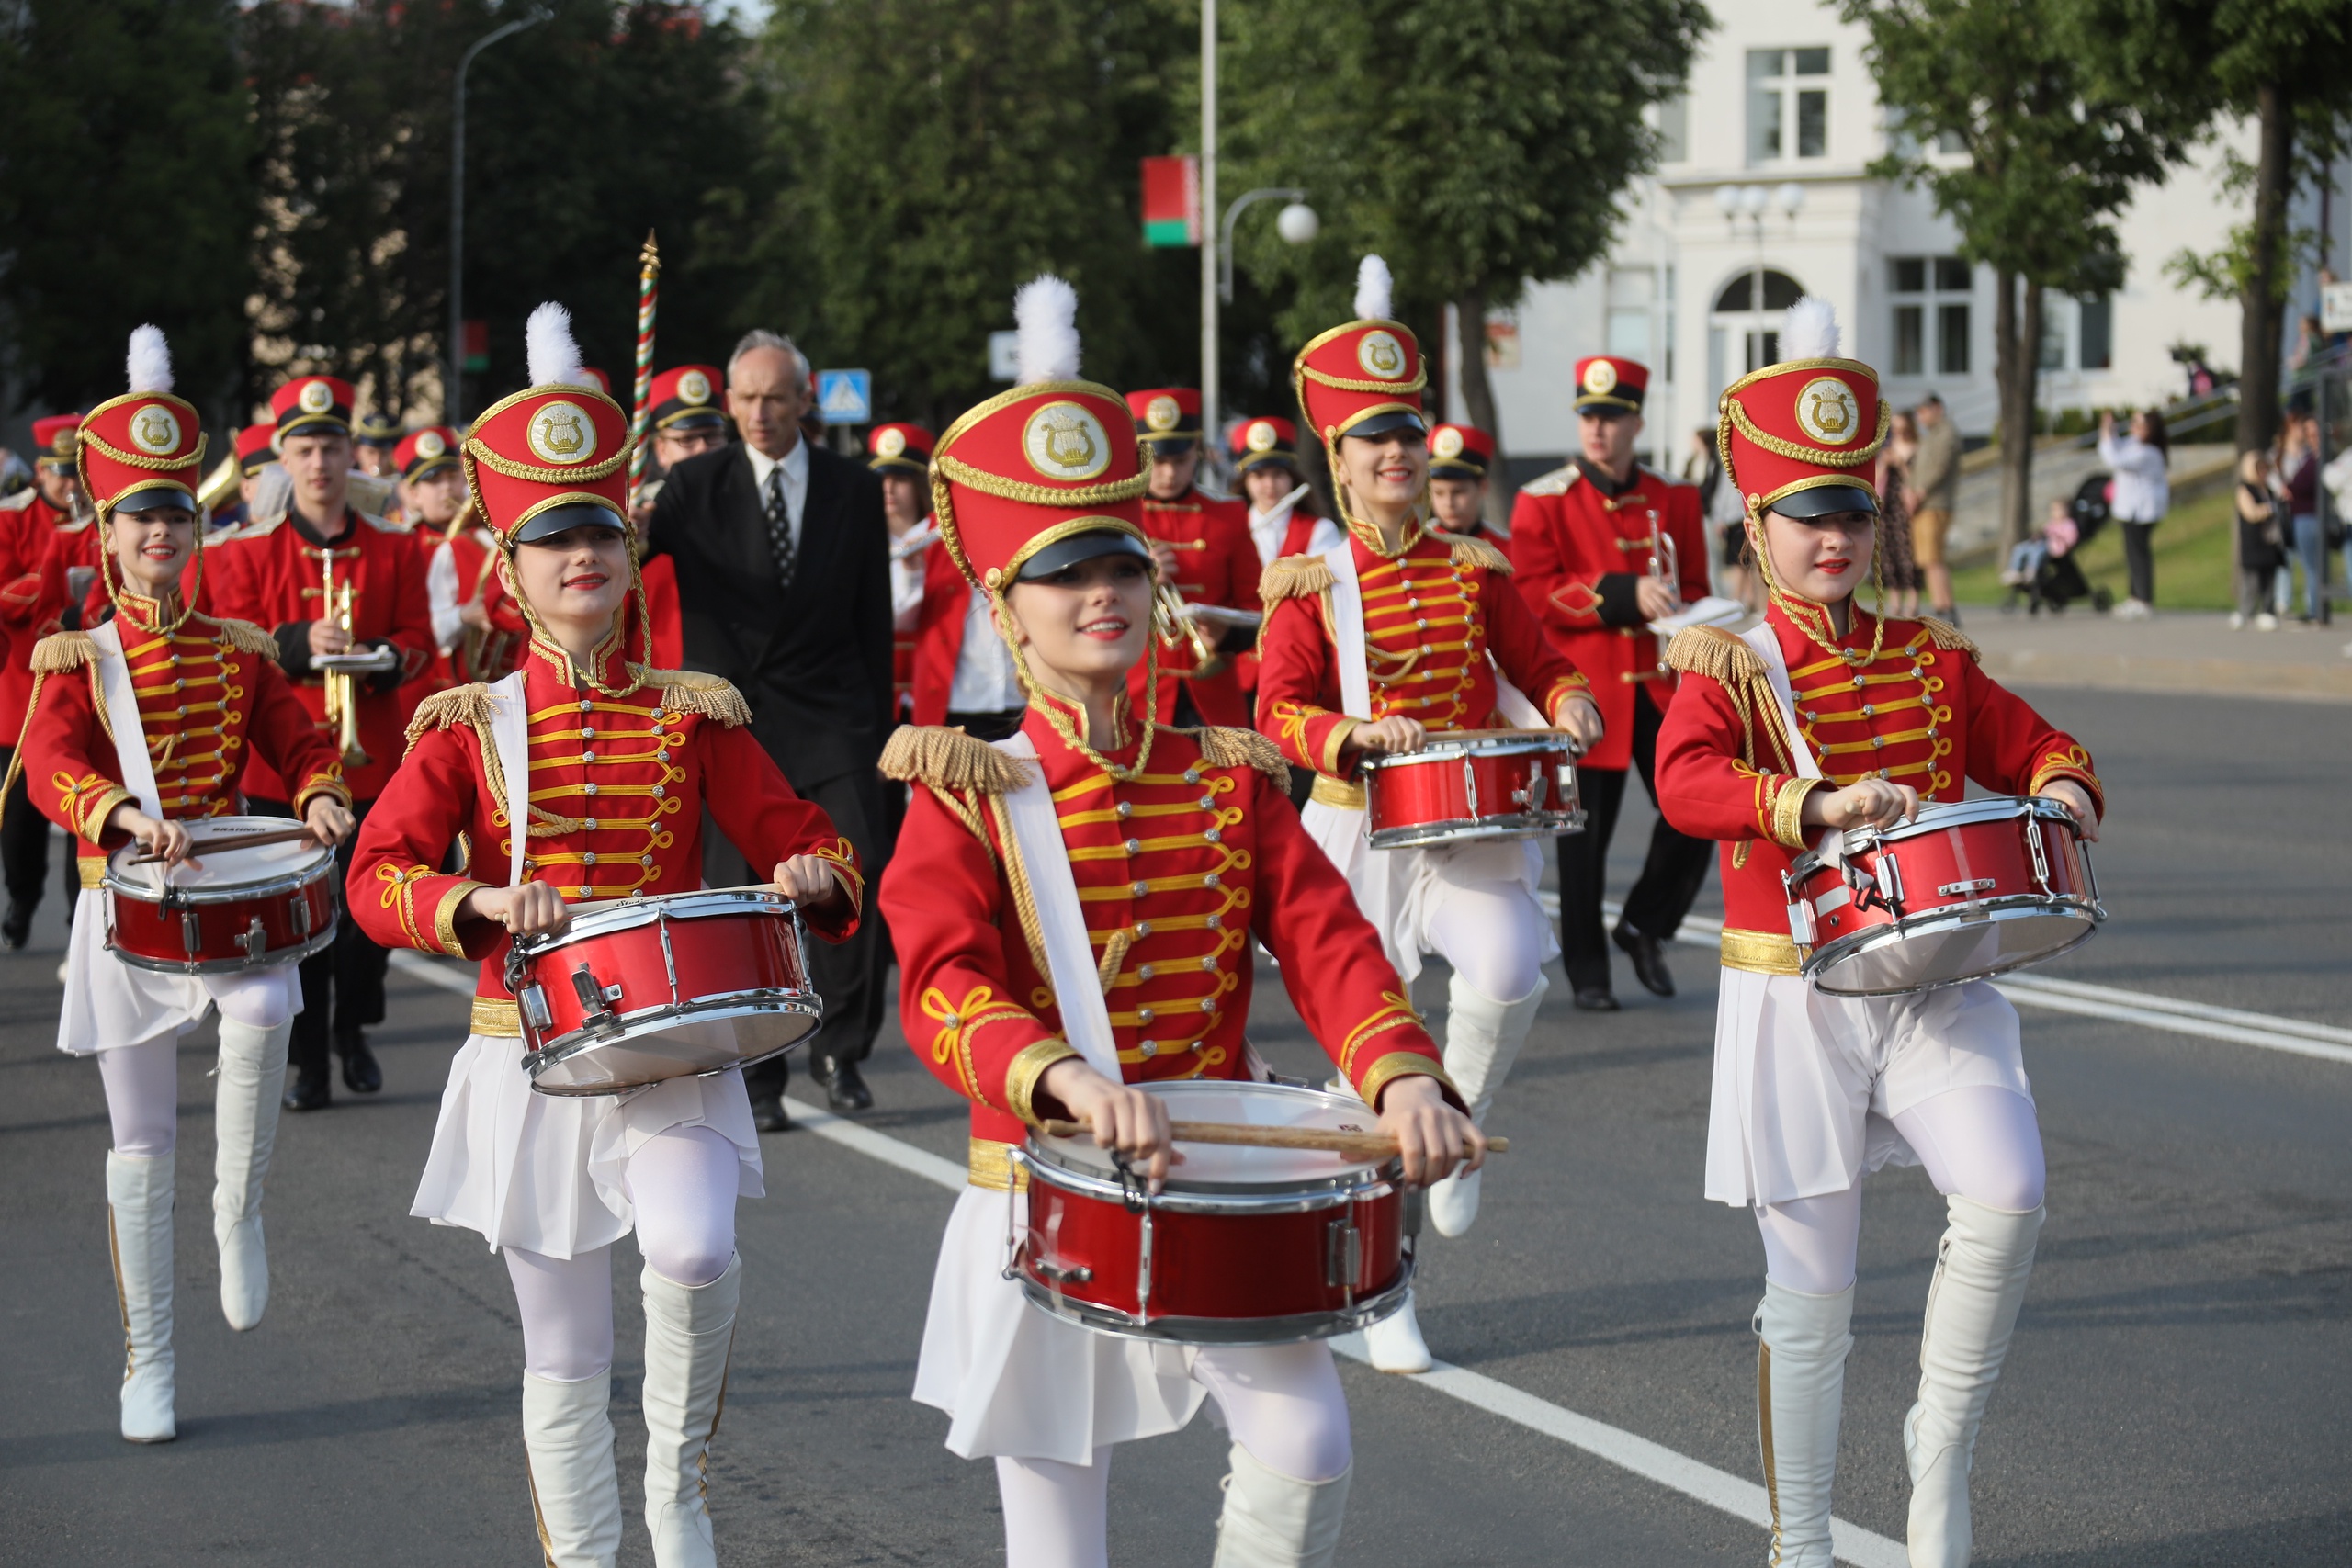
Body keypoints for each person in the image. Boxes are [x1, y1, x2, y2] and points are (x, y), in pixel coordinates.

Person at [879, 274, 1483, 1568]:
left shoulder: (1223, 774)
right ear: (1007, 604)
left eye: (1120, 567)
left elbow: (1326, 940)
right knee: (1060, 1537)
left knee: (1308, 1440)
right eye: (1064, 576)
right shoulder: (970, 788)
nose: (1100, 595)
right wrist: (1065, 1080)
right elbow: (939, 983)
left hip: (1218, 1168)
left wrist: (1404, 1074)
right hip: (1046, 1175)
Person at [350, 303, 860, 1567]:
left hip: (676, 1043)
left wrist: (814, 872)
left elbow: (810, 834)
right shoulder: (469, 722)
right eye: (554, 540)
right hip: (528, 1052)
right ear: (509, 570)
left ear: (631, 556)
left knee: (693, 1244)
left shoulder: (694, 713)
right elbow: (376, 874)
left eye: (600, 535)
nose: (582, 556)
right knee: (565, 1346)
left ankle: (679, 1492)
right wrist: (473, 904)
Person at [1656, 298, 2103, 1568]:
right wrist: (1805, 804)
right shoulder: (1729, 659)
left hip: (1936, 977)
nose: (1835, 538)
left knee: (2008, 1190)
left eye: (1853, 513)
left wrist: (2066, 790)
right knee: (1812, 1292)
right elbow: (1683, 781)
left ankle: (1938, 1448)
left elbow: (2042, 746)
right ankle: (1798, 1539)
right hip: (1793, 990)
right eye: (1808, 517)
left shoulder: (1929, 654)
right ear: (1758, 525)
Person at [7, 329, 356, 1441]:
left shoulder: (240, 649)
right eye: (139, 516)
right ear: (107, 532)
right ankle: (147, 1362)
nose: (160, 532)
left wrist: (319, 793)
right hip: (126, 905)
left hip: (228, 891)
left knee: (265, 1002)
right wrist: (115, 814)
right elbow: (51, 763)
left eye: (176, 514)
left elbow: (302, 741)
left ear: (196, 529)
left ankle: (238, 1207)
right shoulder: (77, 655)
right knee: (140, 1140)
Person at [1256, 256, 1604, 1362]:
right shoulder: (1312, 580)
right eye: (1373, 439)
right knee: (1366, 1066)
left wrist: (1571, 701)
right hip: (1357, 829)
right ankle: (1381, 1287)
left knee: (1508, 968)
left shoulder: (1473, 568)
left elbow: (1540, 662)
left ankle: (1459, 1117)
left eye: (1407, 432)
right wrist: (1350, 735)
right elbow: (1277, 710)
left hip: (1469, 825)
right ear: (1339, 459)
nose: (1396, 453)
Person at [645, 329, 895, 1124]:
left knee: (854, 879)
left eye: (775, 398)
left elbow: (873, 616)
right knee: (740, 901)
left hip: (834, 717)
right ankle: (758, 1073)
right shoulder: (693, 484)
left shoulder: (853, 487)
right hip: (732, 724)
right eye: (748, 398)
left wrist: (880, 733)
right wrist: (617, 507)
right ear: (730, 402)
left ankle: (841, 1048)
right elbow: (628, 557)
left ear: (803, 400)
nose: (760, 412)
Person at [204, 373, 436, 1110]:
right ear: (282, 456)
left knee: (370, 917)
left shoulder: (395, 546)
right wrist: (301, 640)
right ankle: (310, 1062)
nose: (318, 463)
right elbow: (237, 640)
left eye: (331, 447)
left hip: (374, 762)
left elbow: (421, 641)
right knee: (297, 921)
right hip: (283, 768)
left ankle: (353, 1027)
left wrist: (383, 655)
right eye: (303, 449)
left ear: (350, 453)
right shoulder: (246, 550)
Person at [1510, 355, 1716, 1011]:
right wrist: (1625, 593)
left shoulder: (1675, 496)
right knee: (1584, 844)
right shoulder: (1543, 498)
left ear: (1636, 423)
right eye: (1588, 416)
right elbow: (1533, 592)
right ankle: (1588, 972)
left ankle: (1644, 925)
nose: (1597, 429)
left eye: (1611, 417)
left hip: (1659, 686)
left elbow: (1697, 586)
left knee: (1696, 811)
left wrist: (1692, 611)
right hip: (1585, 689)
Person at [0, 412, 93, 947]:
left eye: (76, 471)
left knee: (84, 805)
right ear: (40, 470)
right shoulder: (12, 519)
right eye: (60, 472)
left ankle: (78, 923)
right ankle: (22, 895)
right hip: (22, 690)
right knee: (20, 819)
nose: (69, 483)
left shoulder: (102, 517)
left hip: (86, 683)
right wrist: (52, 577)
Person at [1127, 387, 1260, 728]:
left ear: (1197, 450)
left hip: (1214, 696)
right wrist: (1138, 577)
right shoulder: (1117, 518)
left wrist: (1227, 634)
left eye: (1180, 460)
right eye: (1158, 462)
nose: (1169, 474)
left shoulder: (1228, 514)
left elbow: (1257, 610)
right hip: (1137, 694)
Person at [869, 421, 936, 724]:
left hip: (929, 684)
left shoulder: (940, 537)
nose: (889, 488)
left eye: (900, 479)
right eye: (882, 479)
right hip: (875, 685)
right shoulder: (864, 537)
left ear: (920, 484)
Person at [1233, 413, 1335, 568]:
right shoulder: (1231, 531)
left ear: (1291, 477)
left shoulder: (1321, 530)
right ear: (1245, 481)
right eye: (1259, 475)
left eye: (1278, 474)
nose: (1270, 484)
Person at [2098, 407, 2168, 620]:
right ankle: (2135, 598)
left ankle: (2143, 600)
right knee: (2132, 554)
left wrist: (2106, 435)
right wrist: (2110, 431)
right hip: (2132, 510)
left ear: (2150, 429)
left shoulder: (2148, 453)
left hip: (2141, 511)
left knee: (2138, 555)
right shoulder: (2136, 445)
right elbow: (2117, 447)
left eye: (2138, 424)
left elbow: (2115, 460)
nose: (2133, 428)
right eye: (2132, 423)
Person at [1905, 392, 1962, 621]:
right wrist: (1909, 491)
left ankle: (1946, 607)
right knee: (1927, 559)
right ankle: (1941, 605)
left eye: (1923, 411)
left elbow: (1940, 468)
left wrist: (1919, 492)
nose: (1920, 417)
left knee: (1934, 558)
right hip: (1922, 505)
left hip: (1935, 504)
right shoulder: (1930, 435)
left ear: (1937, 408)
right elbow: (1917, 469)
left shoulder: (1947, 433)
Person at [2278, 411, 2328, 625]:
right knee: (2310, 566)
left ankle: (2316, 609)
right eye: (2308, 432)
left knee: (2313, 566)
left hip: (2310, 516)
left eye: (2314, 432)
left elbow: (2303, 485)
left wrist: (2291, 488)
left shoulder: (2320, 458)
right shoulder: (2309, 457)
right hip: (2301, 516)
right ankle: (2314, 607)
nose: (2311, 437)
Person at [2233, 448, 2285, 631]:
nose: (2263, 472)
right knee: (2251, 580)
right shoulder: (2245, 489)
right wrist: (2269, 509)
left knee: (2269, 579)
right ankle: (2245, 612)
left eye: (2265, 468)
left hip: (2270, 541)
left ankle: (2267, 611)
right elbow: (2251, 512)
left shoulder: (2268, 489)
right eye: (2259, 469)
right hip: (2254, 542)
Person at [1878, 409, 1922, 615]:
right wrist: (1885, 463)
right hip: (1888, 505)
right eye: (1895, 428)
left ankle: (1913, 600)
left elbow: (1917, 479)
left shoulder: (1918, 449)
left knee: (1908, 552)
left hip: (1907, 506)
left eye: (1902, 428)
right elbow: (1877, 478)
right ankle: (1895, 600)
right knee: (1888, 552)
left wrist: (1901, 463)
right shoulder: (1888, 448)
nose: (1898, 432)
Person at [352, 411, 402, 479]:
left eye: (384, 453)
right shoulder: (345, 480)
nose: (377, 460)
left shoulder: (403, 482)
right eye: (371, 452)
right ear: (357, 452)